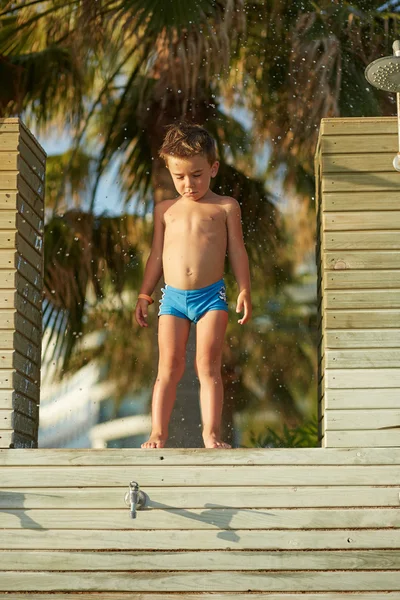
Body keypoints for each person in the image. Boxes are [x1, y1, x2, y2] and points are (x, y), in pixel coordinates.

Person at [135, 122, 252, 449]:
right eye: (180, 176)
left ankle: (211, 434)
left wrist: (244, 288)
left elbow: (237, 250)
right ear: (170, 171)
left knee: (207, 365)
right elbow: (156, 255)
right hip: (171, 298)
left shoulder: (225, 206)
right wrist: (145, 293)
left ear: (213, 168)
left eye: (197, 175)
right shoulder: (165, 210)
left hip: (211, 297)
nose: (189, 184)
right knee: (168, 367)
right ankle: (158, 433)